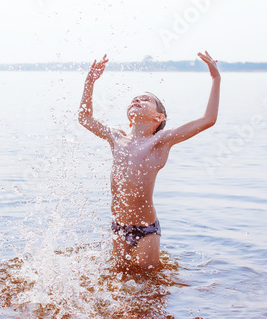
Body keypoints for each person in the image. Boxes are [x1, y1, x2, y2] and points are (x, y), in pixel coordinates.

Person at [78, 52, 221, 270]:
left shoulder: (161, 141)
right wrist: (90, 81)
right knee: (121, 280)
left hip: (146, 231)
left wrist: (215, 79)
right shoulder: (116, 137)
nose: (136, 100)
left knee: (148, 283)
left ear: (158, 118)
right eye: (134, 98)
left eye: (145, 100)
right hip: (119, 228)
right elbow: (84, 118)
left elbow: (208, 120)